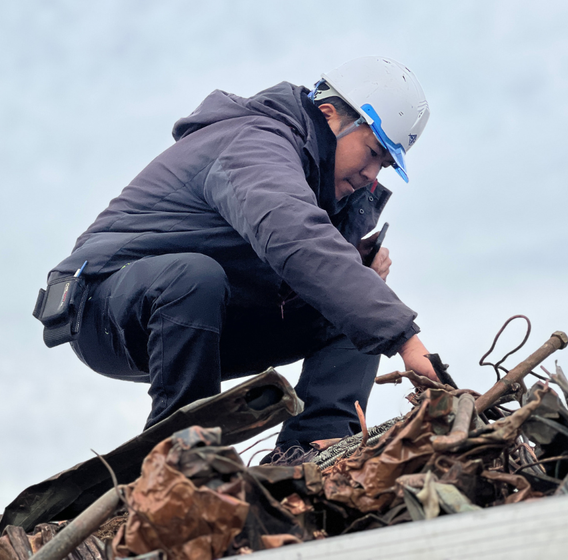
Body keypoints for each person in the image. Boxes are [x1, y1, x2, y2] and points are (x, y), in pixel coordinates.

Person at [39, 56, 439, 460]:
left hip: (198, 316)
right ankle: (185, 451)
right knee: (196, 277)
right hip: (102, 304)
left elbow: (320, 268)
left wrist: (356, 264)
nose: (372, 174)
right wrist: (406, 341)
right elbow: (295, 235)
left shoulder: (319, 182)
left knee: (354, 303)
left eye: (384, 165)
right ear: (328, 115)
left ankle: (317, 446)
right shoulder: (254, 142)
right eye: (372, 152)